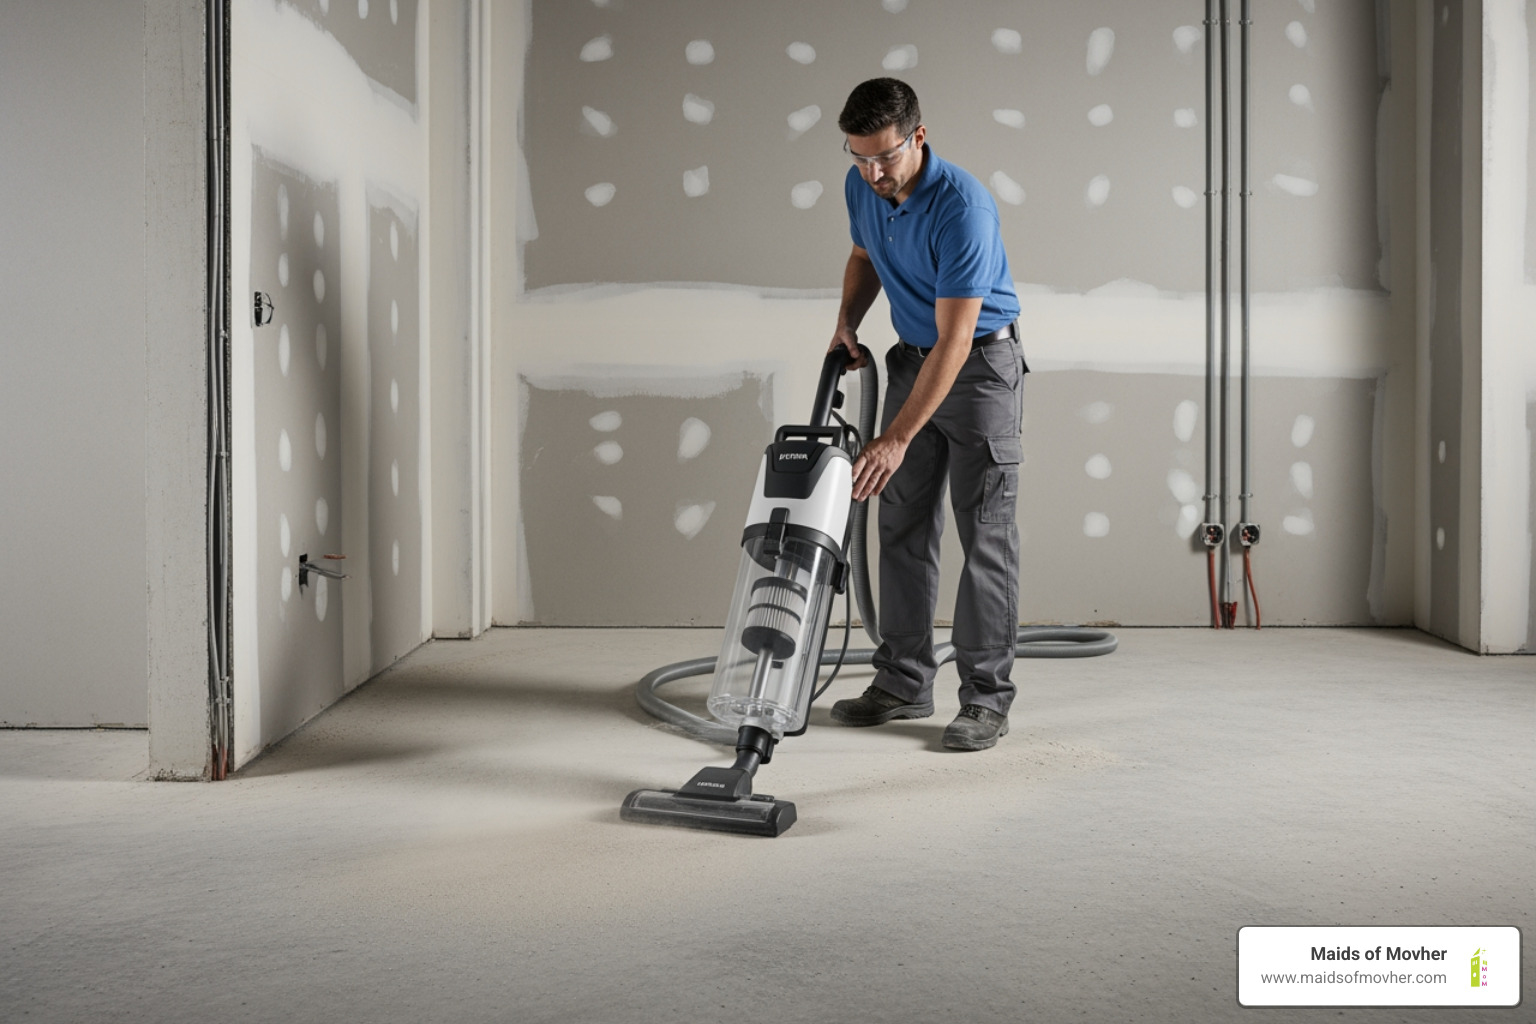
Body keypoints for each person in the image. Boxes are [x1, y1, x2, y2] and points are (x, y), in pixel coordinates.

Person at [827, 78, 1027, 751]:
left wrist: (894, 437)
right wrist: (846, 323)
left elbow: (958, 340)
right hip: (912, 361)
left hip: (977, 374)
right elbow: (863, 255)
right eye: (859, 158)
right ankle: (904, 680)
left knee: (986, 538)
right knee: (901, 525)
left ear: (918, 135)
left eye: (885, 157)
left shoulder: (963, 208)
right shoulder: (864, 185)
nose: (872, 173)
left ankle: (985, 700)